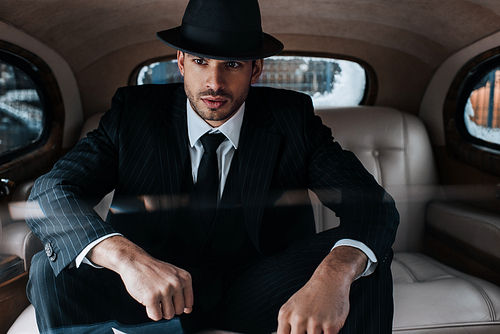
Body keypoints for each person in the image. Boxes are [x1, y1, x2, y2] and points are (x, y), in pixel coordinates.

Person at [26, 0, 399, 333]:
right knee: (50, 268)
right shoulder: (133, 115)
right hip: (153, 292)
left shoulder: (292, 119)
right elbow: (50, 191)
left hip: (261, 289)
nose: (214, 83)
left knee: (361, 258)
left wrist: (334, 274)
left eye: (232, 64)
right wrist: (127, 259)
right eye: (201, 62)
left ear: (255, 71)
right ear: (181, 62)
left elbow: (371, 205)